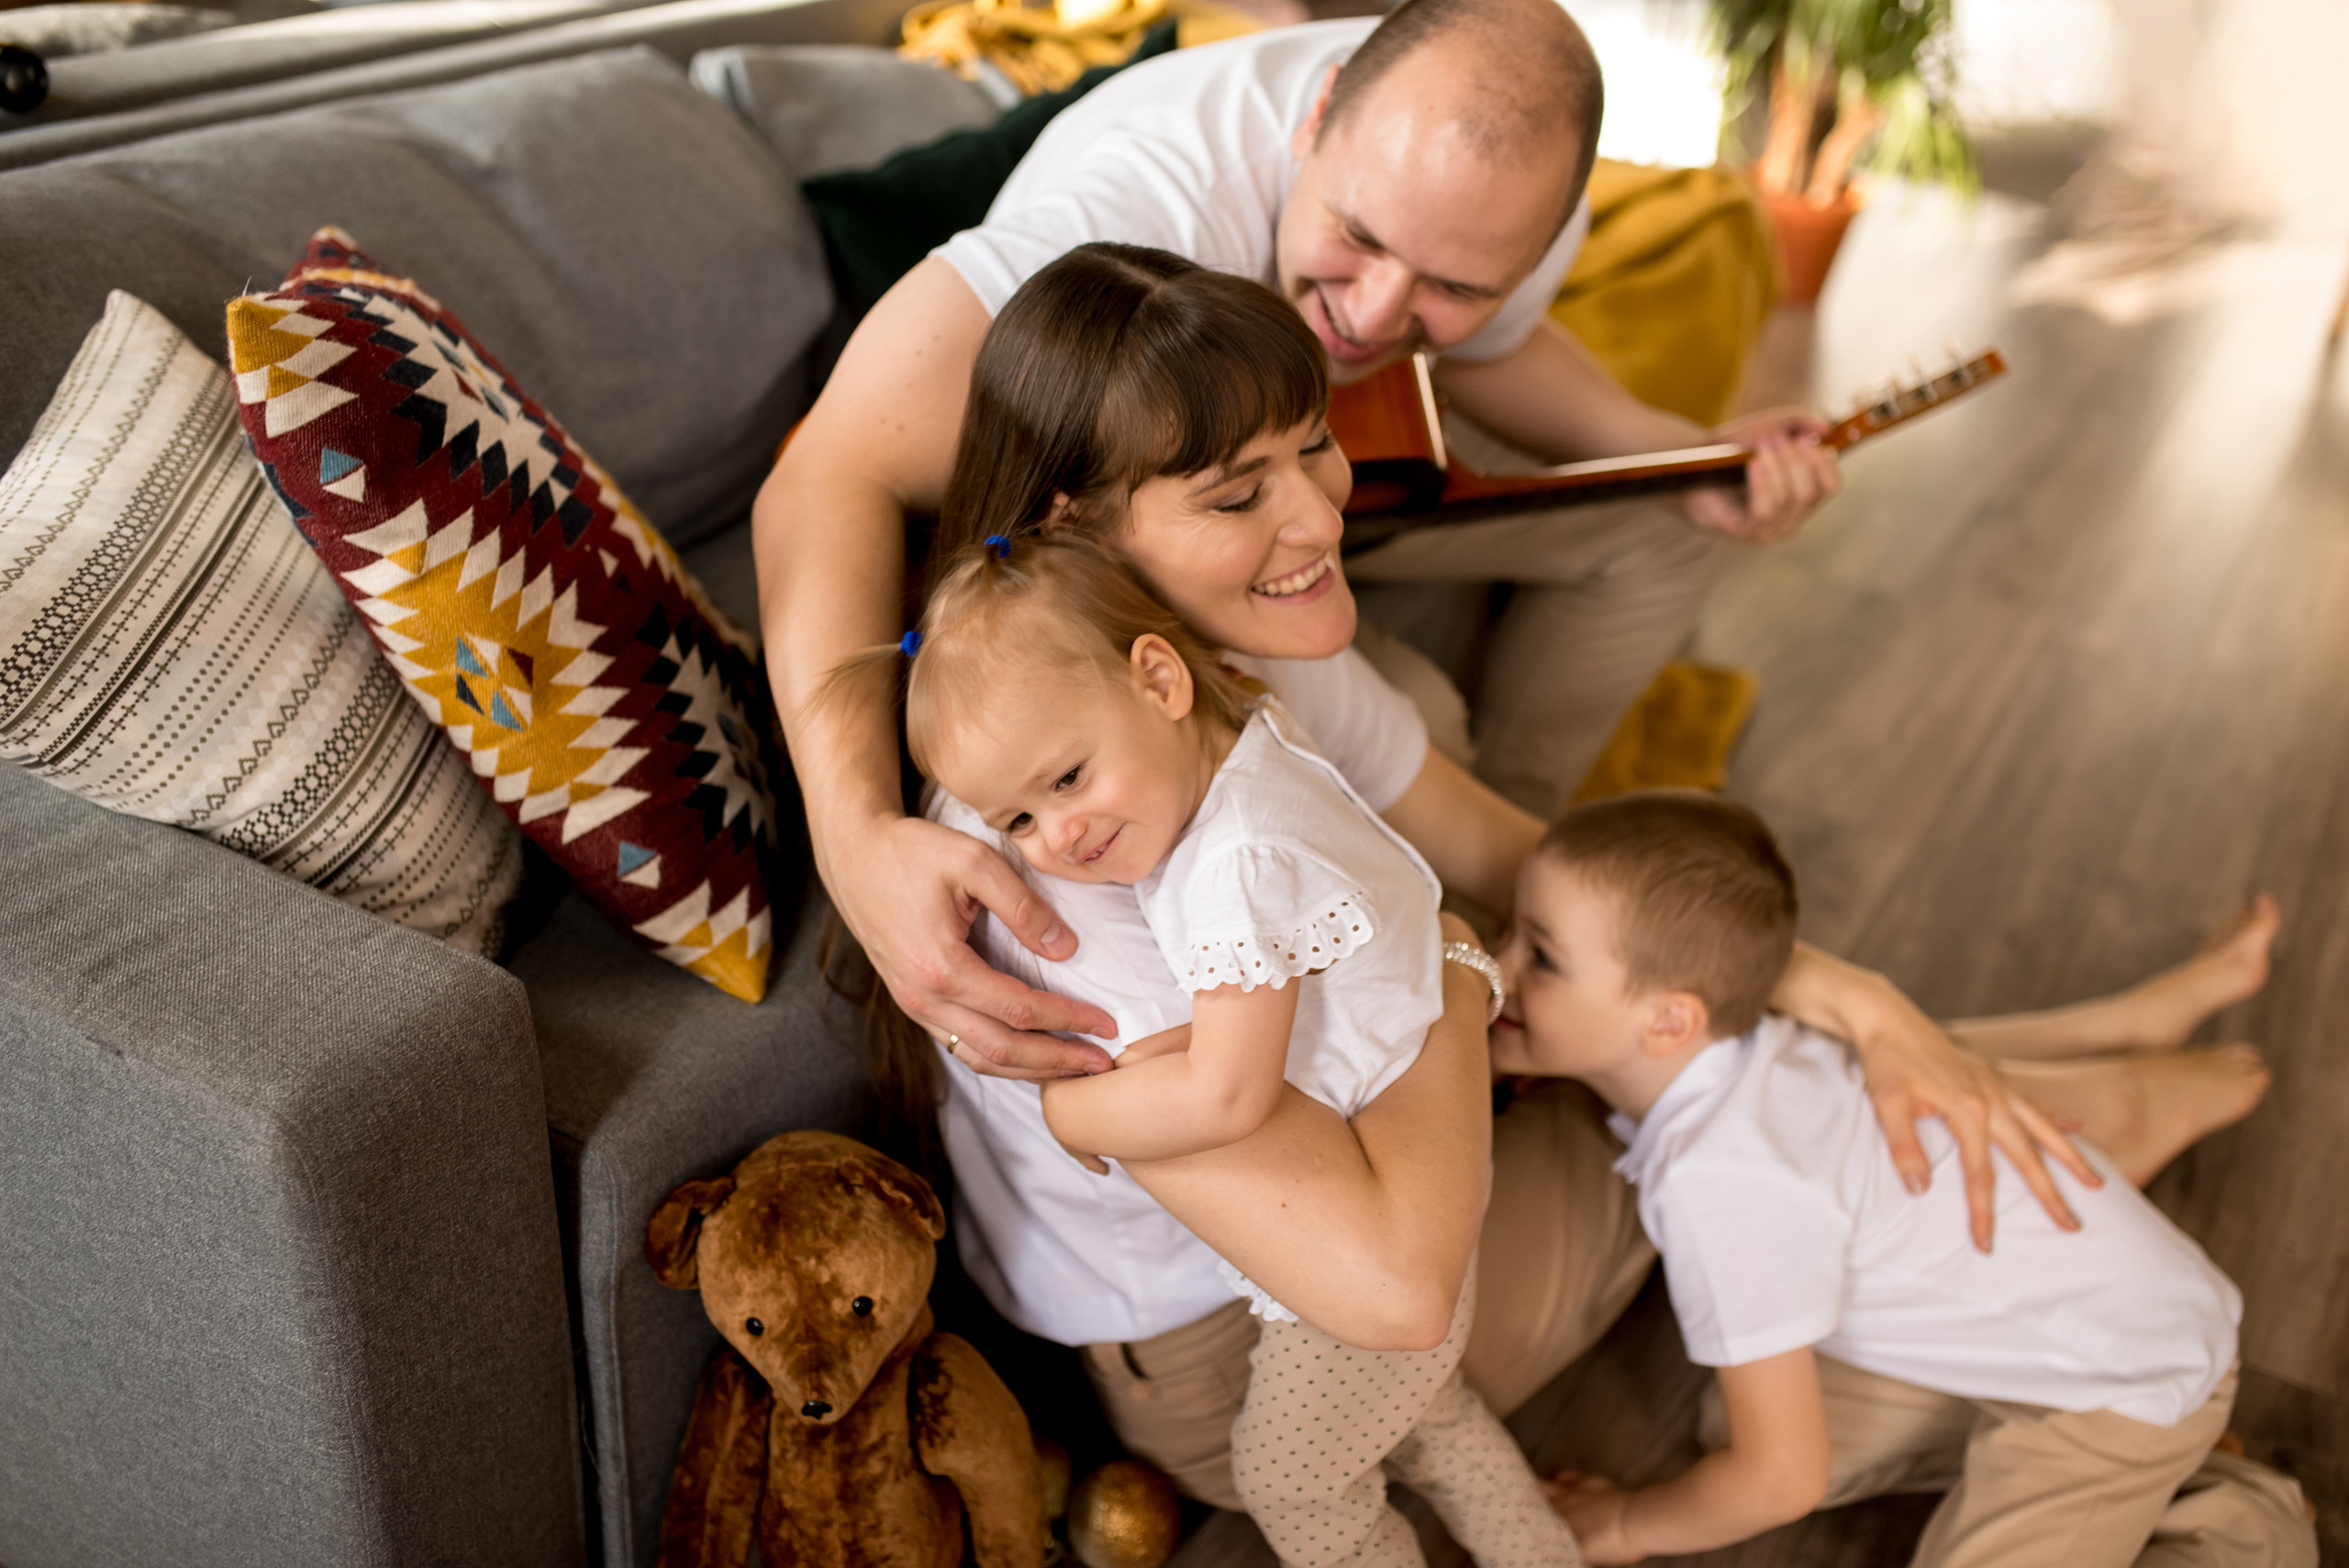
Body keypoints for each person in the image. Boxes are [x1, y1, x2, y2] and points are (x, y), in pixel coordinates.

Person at [811, 242, 2273, 1515]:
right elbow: (1394, 1288)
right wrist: (1456, 974)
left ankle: (2030, 1084)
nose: (1320, 519)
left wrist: (1864, 998)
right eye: (1235, 494)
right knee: (1700, 1102)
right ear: (1074, 527)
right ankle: (2067, 1115)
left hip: (1363, 1160)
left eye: (1309, 448)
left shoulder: (1200, 680)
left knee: (1665, 1007)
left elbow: (1494, 836)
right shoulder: (1071, 859)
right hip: (1257, 1351)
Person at [754, 0, 1853, 1101]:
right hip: (1145, 552)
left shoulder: (1509, 192)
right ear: (1315, 113)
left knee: (1643, 542)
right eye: (1361, 238)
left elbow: (1482, 357)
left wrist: (1679, 454)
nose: (1375, 319)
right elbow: (821, 476)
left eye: (1454, 287)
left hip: (1270, 508)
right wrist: (857, 842)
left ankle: (1533, 915)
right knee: (1413, 728)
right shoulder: (1126, 218)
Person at [887, 530, 1575, 1566]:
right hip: (1399, 1120)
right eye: (1017, 817)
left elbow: (1228, 1097)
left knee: (1291, 1478)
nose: (1057, 838)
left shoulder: (1231, 872)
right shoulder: (1251, 728)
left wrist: (1070, 1111)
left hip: (1378, 1186)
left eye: (1068, 776)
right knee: (1430, 1412)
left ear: (1157, 676)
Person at [1496, 791, 2314, 1568]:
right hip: (2084, 1314)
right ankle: (2155, 1468)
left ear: (1668, 1020)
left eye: (1541, 956)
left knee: (1760, 1462)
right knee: (1734, 1431)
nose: (1494, 965)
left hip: (2120, 1381)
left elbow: (1783, 1481)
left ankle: (2241, 1523)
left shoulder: (1722, 1184)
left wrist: (1630, 1521)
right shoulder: (1753, 1046)